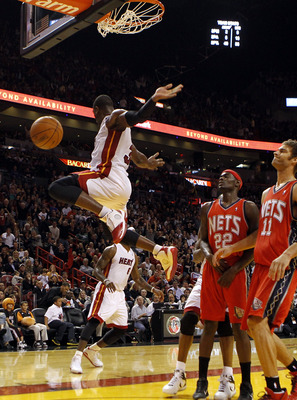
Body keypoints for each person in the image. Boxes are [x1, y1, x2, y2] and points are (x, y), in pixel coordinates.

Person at [215, 140, 297, 400]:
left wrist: (286, 255)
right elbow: (261, 234)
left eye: (282, 150)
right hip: (262, 266)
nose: (276, 152)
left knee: (255, 322)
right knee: (254, 327)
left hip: (282, 266)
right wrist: (231, 247)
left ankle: (276, 390)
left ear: (295, 159)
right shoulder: (266, 193)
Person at [48, 84, 183, 281]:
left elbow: (136, 117)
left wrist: (153, 100)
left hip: (107, 178)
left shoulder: (111, 119)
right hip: (120, 190)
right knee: (114, 236)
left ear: (95, 110)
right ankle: (160, 250)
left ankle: (107, 213)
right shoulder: (123, 138)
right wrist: (148, 163)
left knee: (56, 187)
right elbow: (139, 159)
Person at [193, 170, 259, 400]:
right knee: (209, 326)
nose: (221, 178)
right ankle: (201, 382)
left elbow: (255, 243)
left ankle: (247, 385)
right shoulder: (207, 208)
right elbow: (201, 239)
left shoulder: (248, 207)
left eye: (227, 176)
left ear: (237, 183)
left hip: (236, 272)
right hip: (212, 271)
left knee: (239, 328)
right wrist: (209, 255)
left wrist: (235, 269)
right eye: (220, 176)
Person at [70, 242, 164, 374]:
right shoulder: (112, 249)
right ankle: (77, 357)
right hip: (106, 288)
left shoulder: (133, 255)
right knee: (95, 321)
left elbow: (137, 278)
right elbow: (96, 270)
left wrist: (153, 289)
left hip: (119, 293)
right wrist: (106, 280)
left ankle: (92, 351)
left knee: (121, 329)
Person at [162, 245, 237, 397]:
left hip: (229, 277)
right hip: (206, 277)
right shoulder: (209, 225)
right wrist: (206, 251)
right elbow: (196, 256)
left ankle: (228, 377)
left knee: (224, 325)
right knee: (188, 319)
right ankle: (180, 374)